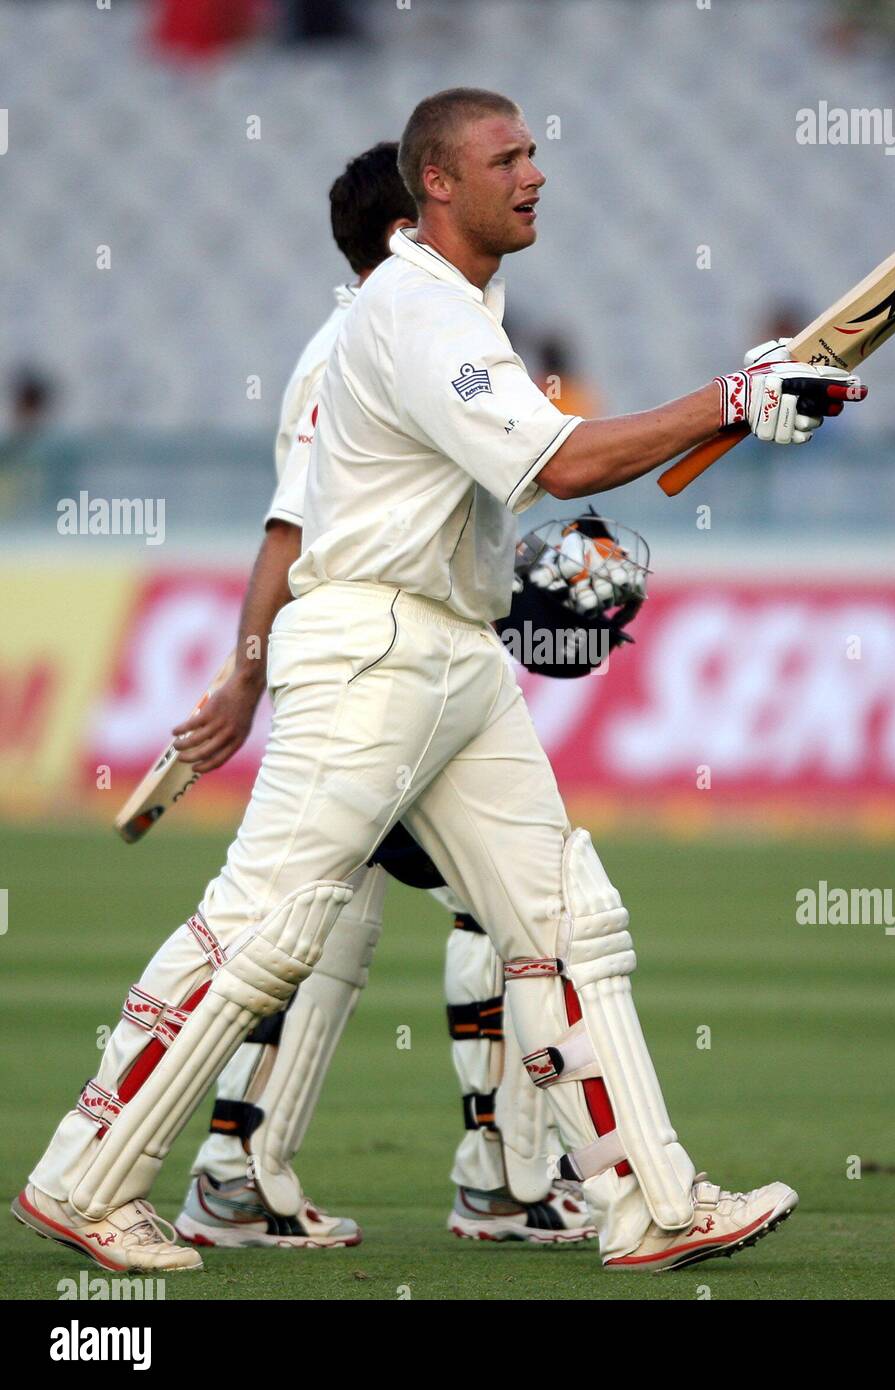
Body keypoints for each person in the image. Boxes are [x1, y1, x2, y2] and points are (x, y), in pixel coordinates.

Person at [13, 87, 866, 1275]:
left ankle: (649, 1203)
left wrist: (720, 408)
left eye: (533, 153)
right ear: (438, 187)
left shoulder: (464, 306)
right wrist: (732, 397)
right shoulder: (414, 310)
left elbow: (481, 488)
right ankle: (83, 1178)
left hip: (453, 651)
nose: (534, 174)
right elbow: (561, 463)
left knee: (566, 921)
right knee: (267, 926)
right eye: (505, 157)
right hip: (370, 653)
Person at [165, 145, 603, 1250]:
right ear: (415, 222)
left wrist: (518, 596)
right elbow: (293, 527)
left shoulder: (401, 334)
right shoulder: (374, 338)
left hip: (398, 659)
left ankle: (238, 1167)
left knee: (336, 914)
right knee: (504, 906)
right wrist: (246, 675)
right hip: (374, 667)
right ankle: (499, 1175)